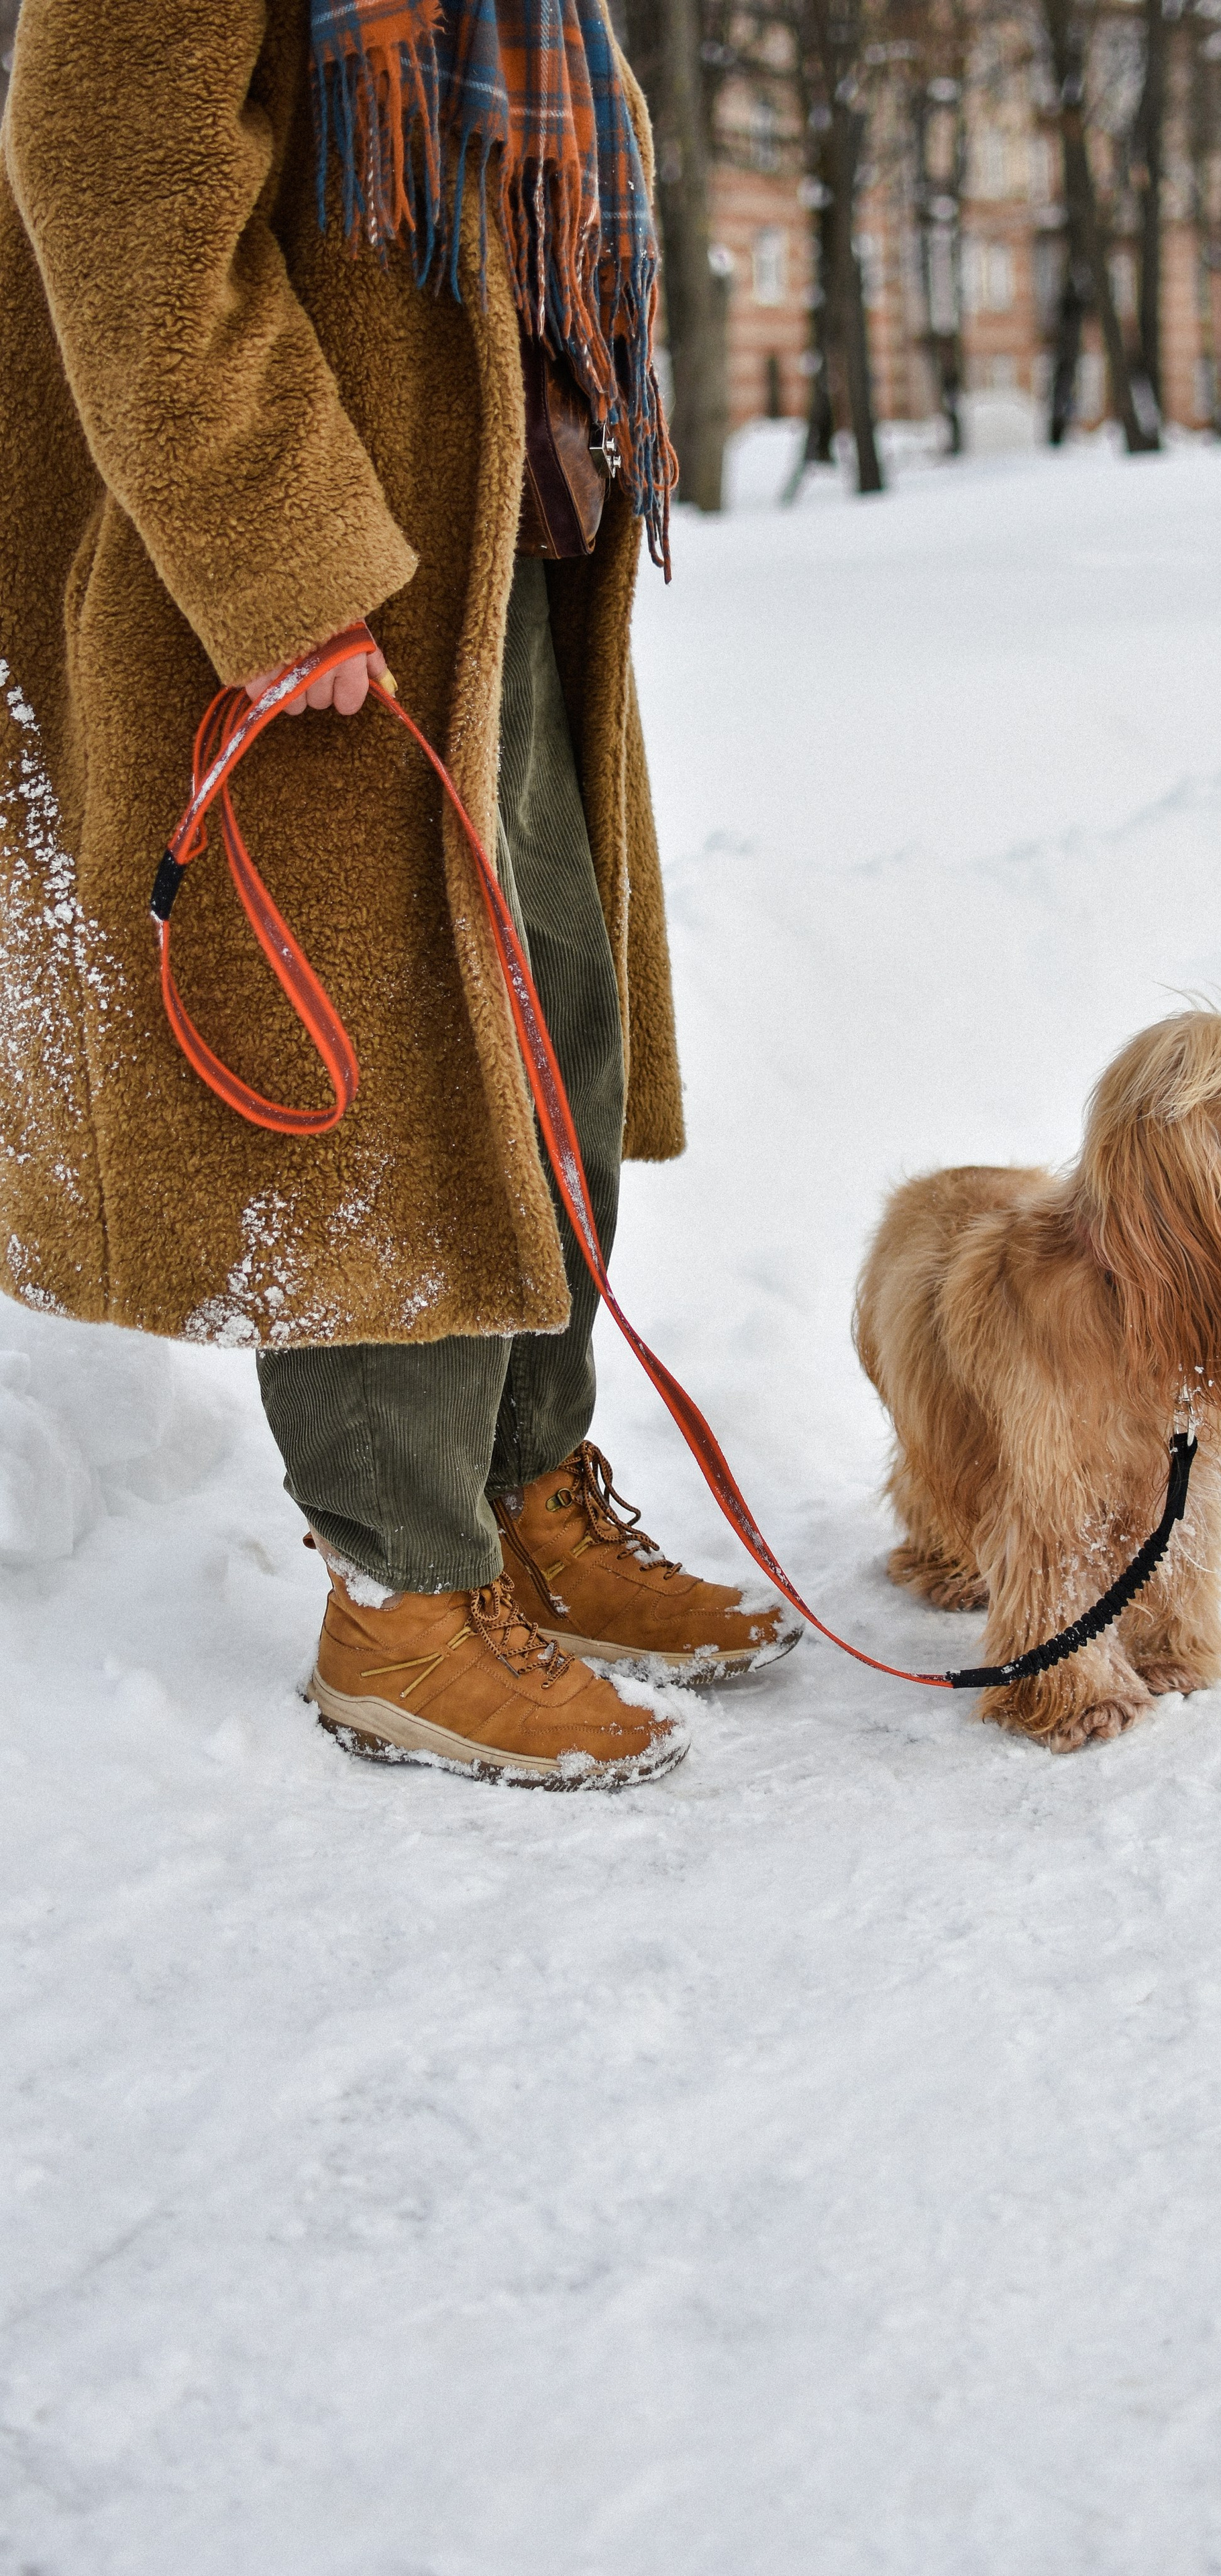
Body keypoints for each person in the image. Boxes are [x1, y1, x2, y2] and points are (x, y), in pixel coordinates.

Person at [0, 0, 798, 1789]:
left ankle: (519, 1484)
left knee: (552, 1021)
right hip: (314, 570)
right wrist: (279, 557)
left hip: (485, 528)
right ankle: (402, 1598)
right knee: (385, 1067)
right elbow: (112, 175)